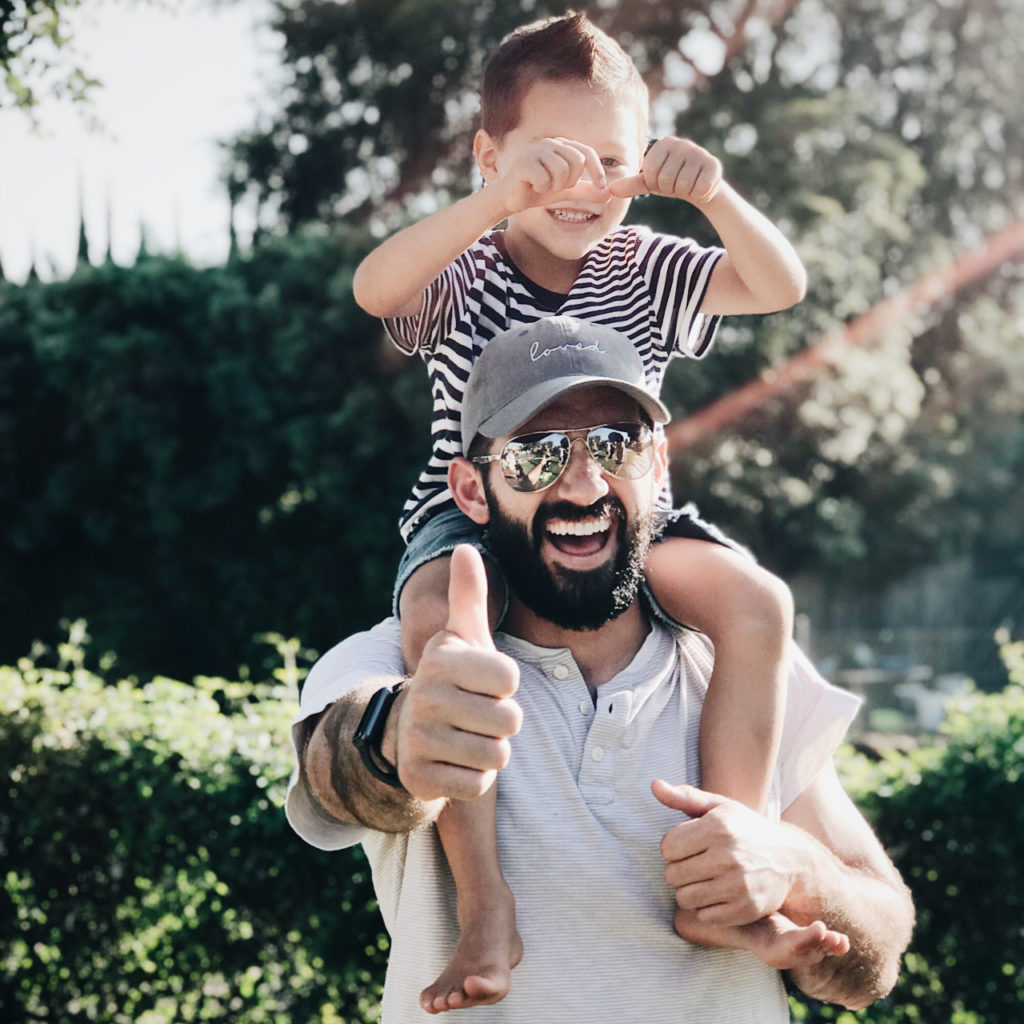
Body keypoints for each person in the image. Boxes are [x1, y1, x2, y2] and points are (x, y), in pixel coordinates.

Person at [352, 12, 809, 1010]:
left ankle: (722, 864)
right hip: (468, 517)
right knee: (442, 629)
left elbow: (780, 285)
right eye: (551, 161)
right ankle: (485, 907)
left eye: (610, 159)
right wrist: (491, 205)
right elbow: (373, 285)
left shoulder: (644, 265)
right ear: (491, 156)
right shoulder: (466, 269)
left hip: (626, 521)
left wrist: (715, 193)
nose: (583, 185)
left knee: (757, 602)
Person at [287, 318, 914, 1023]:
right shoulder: (406, 661)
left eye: (617, 446)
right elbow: (333, 771)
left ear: (660, 465)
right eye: (536, 455)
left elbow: (879, 954)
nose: (585, 486)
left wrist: (798, 870)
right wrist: (396, 737)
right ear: (470, 490)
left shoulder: (740, 666)